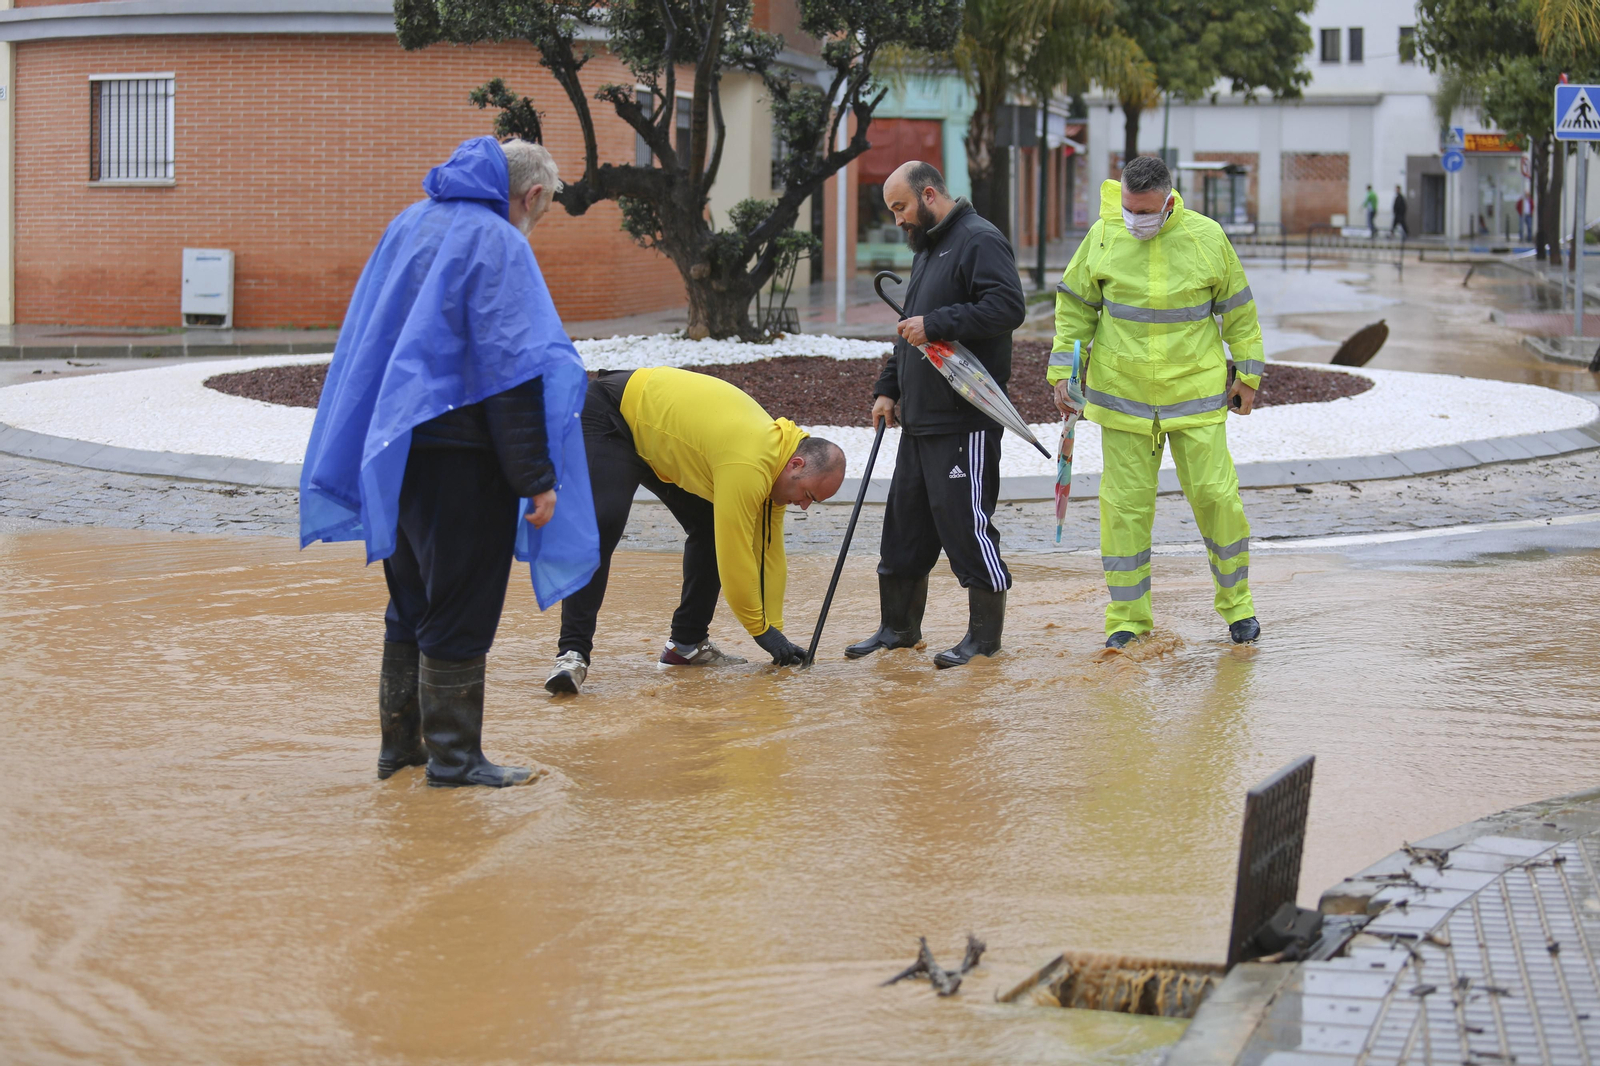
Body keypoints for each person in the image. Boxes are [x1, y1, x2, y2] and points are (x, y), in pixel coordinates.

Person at [301, 136, 599, 788]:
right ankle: (456, 761)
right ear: (533, 196)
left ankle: (399, 749)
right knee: (461, 608)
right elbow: (513, 371)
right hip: (467, 462)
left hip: (395, 454)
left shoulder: (409, 223)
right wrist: (536, 479)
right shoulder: (498, 241)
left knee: (410, 602)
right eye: (542, 212)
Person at [1050, 154, 1262, 649]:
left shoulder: (1207, 238)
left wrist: (1248, 374)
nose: (1135, 220)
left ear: (1168, 202)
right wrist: (1063, 372)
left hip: (1194, 398)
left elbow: (1239, 311)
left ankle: (1239, 609)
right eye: (1128, 208)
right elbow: (1074, 308)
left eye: (1145, 211)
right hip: (1123, 401)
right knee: (1123, 511)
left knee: (1217, 500)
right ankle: (1127, 619)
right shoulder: (1102, 235)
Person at [544, 367, 846, 694]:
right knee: (601, 524)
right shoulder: (749, 463)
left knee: (708, 526)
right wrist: (762, 632)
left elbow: (768, 553)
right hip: (611, 413)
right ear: (797, 464)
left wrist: (777, 631)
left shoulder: (779, 465)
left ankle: (686, 645)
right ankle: (572, 654)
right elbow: (736, 555)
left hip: (658, 435)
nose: (803, 506)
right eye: (809, 496)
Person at [845, 160, 1027, 669]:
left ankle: (983, 641)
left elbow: (1008, 307)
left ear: (929, 194)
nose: (897, 219)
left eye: (901, 207)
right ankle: (897, 629)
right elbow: (911, 330)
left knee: (968, 528)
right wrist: (887, 388)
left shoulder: (978, 239)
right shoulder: (927, 248)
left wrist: (938, 323)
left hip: (964, 418)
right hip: (919, 420)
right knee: (903, 531)